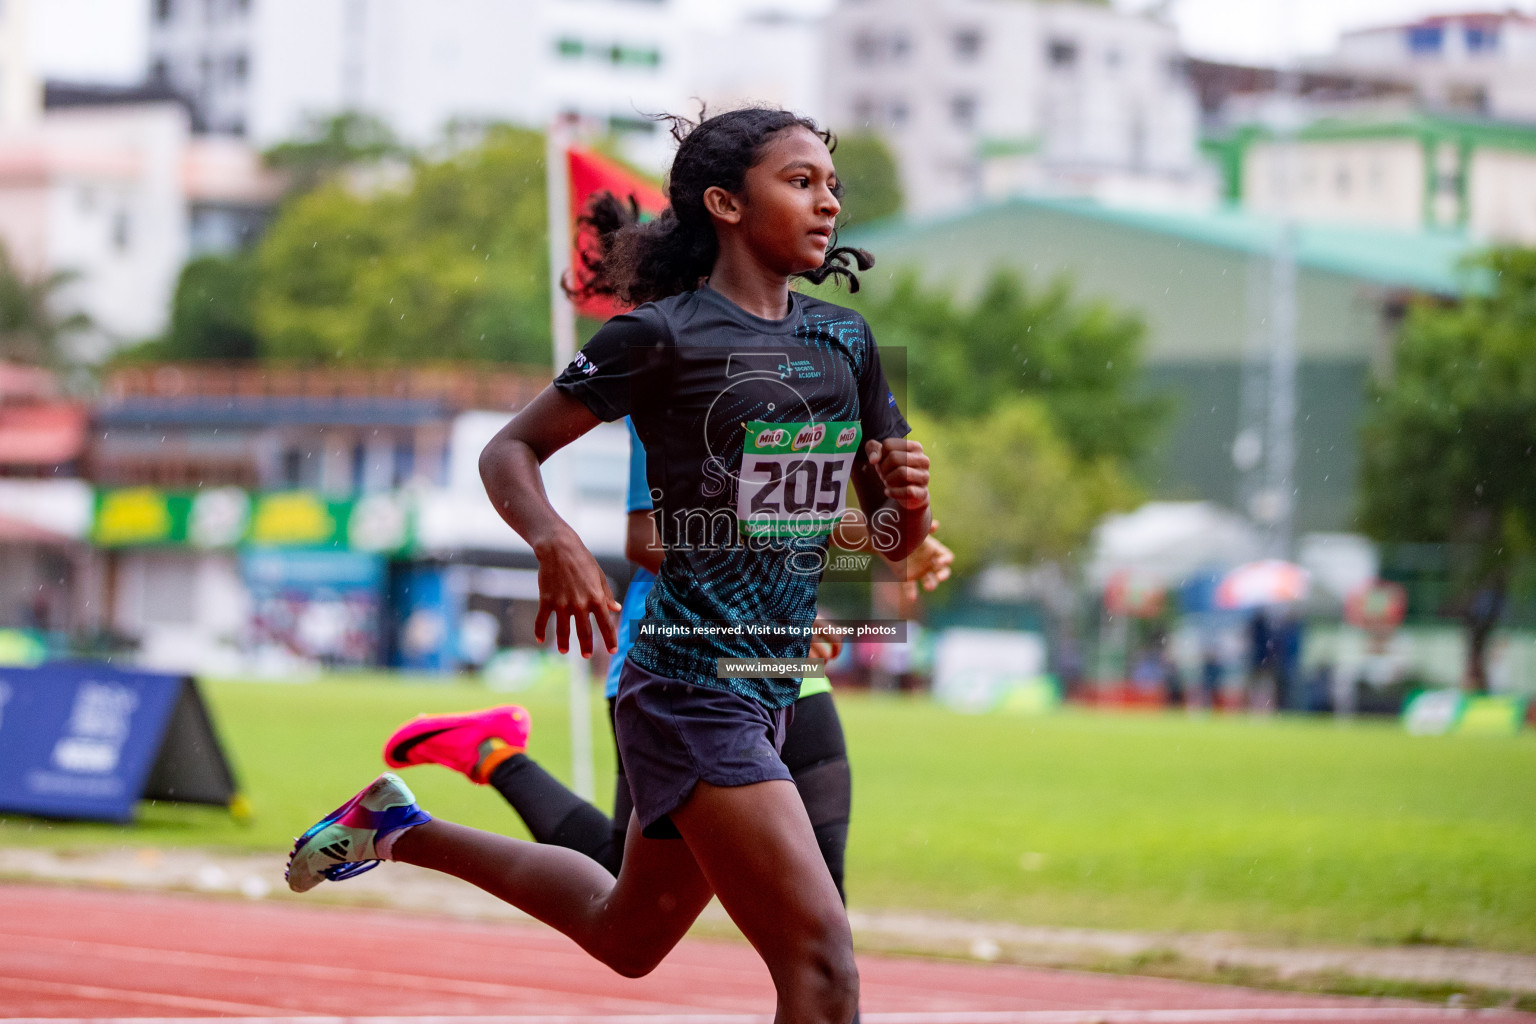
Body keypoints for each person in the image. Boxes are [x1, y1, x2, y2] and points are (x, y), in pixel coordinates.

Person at [285, 107, 931, 1024]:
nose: (828, 202)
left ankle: (403, 833)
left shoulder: (845, 344)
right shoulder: (659, 337)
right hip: (687, 688)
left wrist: (904, 497)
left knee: (626, 932)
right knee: (824, 972)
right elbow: (509, 449)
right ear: (725, 204)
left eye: (832, 185)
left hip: (771, 686)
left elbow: (892, 548)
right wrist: (557, 543)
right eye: (801, 181)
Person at [382, 417, 954, 895]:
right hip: (681, 657)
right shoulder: (674, 359)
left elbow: (782, 519)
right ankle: (489, 756)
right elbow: (649, 539)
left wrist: (901, 533)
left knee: (825, 890)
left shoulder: (810, 351)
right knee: (620, 884)